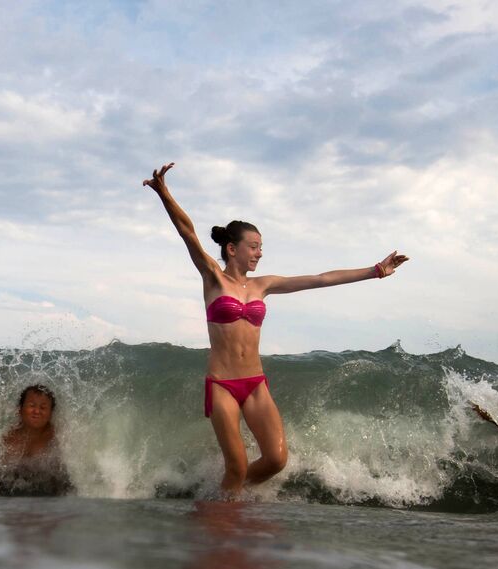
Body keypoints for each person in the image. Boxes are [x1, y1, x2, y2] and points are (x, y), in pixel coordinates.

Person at [143, 162, 409, 495]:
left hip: (255, 383)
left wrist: (375, 271)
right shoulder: (213, 277)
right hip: (222, 383)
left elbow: (320, 279)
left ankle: (224, 494)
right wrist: (164, 192)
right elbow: (187, 231)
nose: (259, 253)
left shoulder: (263, 285)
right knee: (237, 464)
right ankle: (222, 516)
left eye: (260, 247)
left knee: (276, 459)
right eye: (253, 246)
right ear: (232, 249)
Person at [0, 384, 73, 496]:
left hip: (48, 494)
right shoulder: (8, 438)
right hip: (14, 492)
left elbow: (66, 478)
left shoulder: (57, 437)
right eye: (32, 405)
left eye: (43, 407)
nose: (37, 411)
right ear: (20, 409)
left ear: (50, 413)